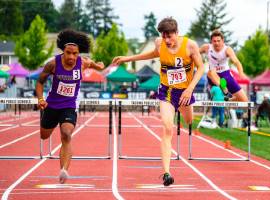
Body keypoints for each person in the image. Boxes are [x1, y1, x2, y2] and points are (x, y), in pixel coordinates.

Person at [112, 17, 204, 186]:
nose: (167, 40)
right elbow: (153, 54)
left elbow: (201, 68)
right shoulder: (159, 43)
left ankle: (185, 115)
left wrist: (190, 89)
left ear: (177, 33)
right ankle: (166, 173)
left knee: (189, 121)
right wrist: (127, 59)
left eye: (170, 36)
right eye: (164, 36)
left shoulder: (190, 45)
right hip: (167, 92)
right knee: (167, 128)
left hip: (185, 92)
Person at [36, 29, 105, 184]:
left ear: (79, 53)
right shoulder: (52, 64)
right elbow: (40, 82)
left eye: (75, 54)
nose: (72, 57)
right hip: (52, 104)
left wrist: (99, 66)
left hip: (70, 104)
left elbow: (94, 64)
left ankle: (63, 171)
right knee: (44, 135)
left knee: (66, 134)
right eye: (69, 53)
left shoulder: (83, 62)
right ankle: (48, 125)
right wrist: (40, 99)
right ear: (63, 51)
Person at [199, 30, 248, 102]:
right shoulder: (207, 47)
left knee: (245, 101)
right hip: (213, 76)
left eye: (218, 41)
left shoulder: (227, 50)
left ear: (222, 41)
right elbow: (194, 53)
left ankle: (228, 98)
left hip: (226, 75)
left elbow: (237, 62)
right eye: (214, 41)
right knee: (210, 72)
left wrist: (241, 72)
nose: (216, 43)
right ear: (211, 41)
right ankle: (224, 90)